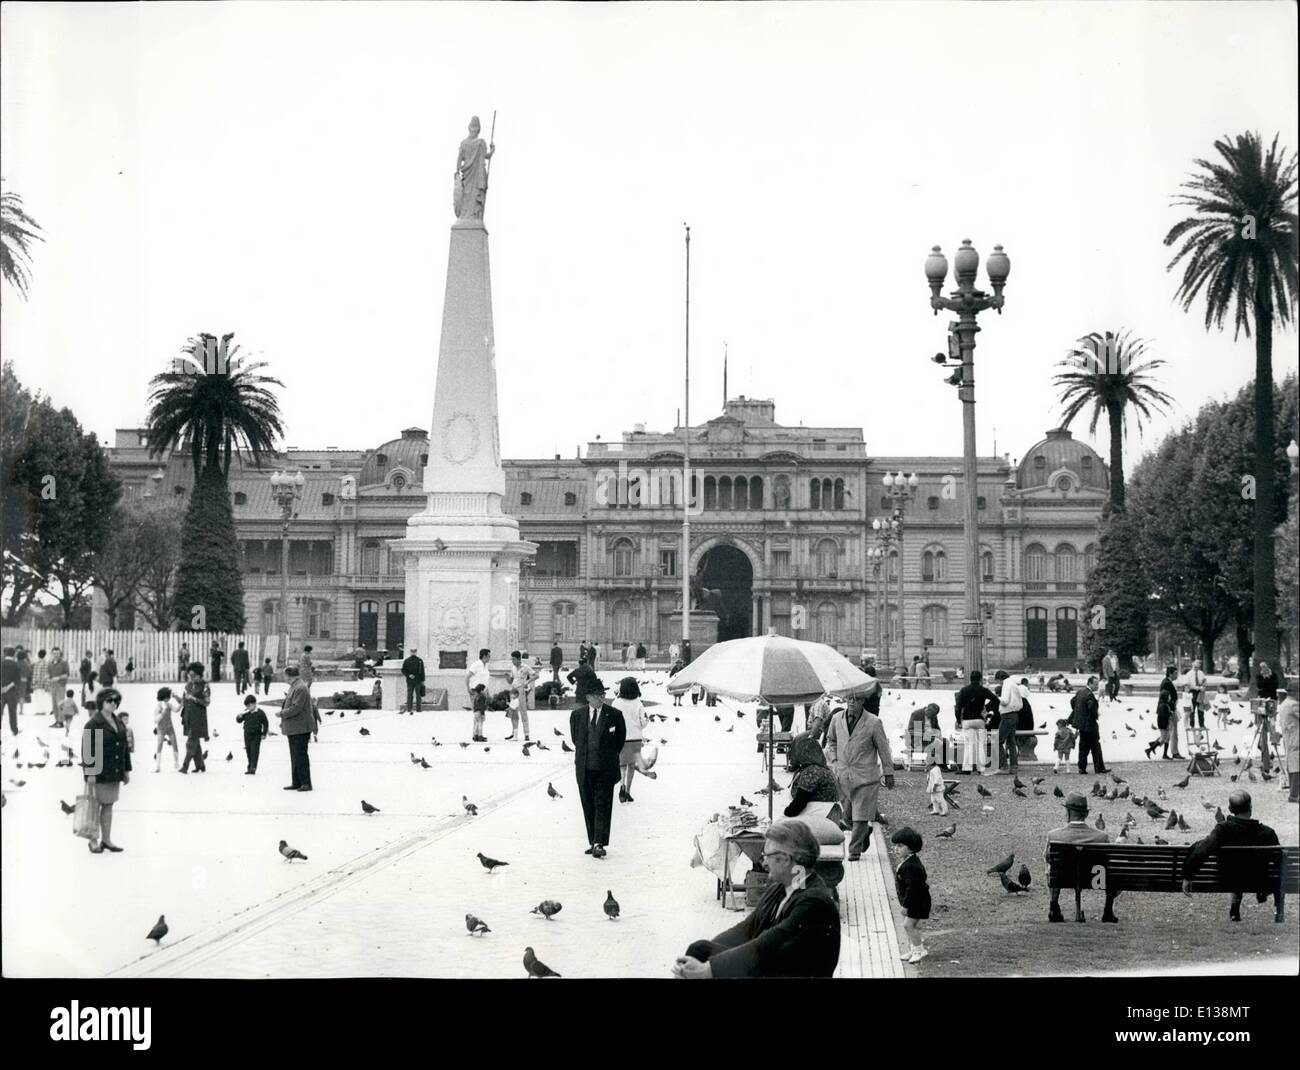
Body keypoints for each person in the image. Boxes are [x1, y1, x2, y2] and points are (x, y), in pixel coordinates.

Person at [673, 820, 840, 978]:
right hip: (773, 966)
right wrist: (704, 963)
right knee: (700, 950)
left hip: (787, 973)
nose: (763, 861)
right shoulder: (783, 886)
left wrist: (709, 970)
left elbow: (769, 941)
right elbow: (747, 928)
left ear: (785, 860)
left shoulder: (815, 902)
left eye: (767, 855)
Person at [1181, 789, 1282, 922]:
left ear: (1230, 808)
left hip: (1227, 879)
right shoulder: (1267, 832)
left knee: (1236, 867)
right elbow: (1280, 861)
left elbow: (1202, 850)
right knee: (1247, 867)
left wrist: (1188, 876)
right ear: (1250, 808)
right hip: (1258, 881)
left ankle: (1235, 907)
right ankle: (1279, 912)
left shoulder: (1223, 829)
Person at [825, 690, 895, 861]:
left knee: (861, 816)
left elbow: (883, 749)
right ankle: (864, 833)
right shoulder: (836, 719)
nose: (852, 702)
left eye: (856, 700)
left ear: (863, 701)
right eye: (849, 699)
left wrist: (888, 772)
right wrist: (833, 760)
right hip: (843, 776)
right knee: (847, 816)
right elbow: (831, 741)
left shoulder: (873, 722)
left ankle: (854, 851)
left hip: (866, 777)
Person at [569, 679, 626, 859]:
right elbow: (575, 739)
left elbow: (620, 740)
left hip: (605, 769)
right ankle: (593, 840)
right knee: (588, 806)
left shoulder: (615, 714)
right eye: (596, 695)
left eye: (603, 694)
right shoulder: (577, 715)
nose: (601, 698)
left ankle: (599, 843)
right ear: (588, 697)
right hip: (585, 768)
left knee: (602, 805)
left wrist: (607, 755)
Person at [1046, 793, 1120, 923]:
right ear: (1086, 814)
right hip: (1095, 880)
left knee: (1052, 867)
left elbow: (1047, 858)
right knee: (1111, 871)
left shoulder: (1054, 835)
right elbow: (1109, 861)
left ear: (1068, 811)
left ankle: (1054, 905)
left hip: (1063, 878)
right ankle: (1108, 910)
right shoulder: (1101, 837)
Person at [81, 688, 131, 853]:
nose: (113, 704)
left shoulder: (119, 722)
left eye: (116, 701)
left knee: (108, 805)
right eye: (110, 700)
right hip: (99, 771)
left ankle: (107, 840)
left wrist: (126, 770)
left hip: (114, 770)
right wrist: (90, 774)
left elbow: (124, 748)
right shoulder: (94, 723)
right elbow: (88, 751)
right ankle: (93, 840)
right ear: (101, 702)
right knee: (94, 806)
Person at [891, 827, 932, 963]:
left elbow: (913, 888)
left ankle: (920, 951)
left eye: (900, 846)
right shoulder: (908, 862)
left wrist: (906, 906)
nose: (896, 849)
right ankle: (913, 949)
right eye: (895, 845)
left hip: (917, 901)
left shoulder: (912, 866)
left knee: (908, 925)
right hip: (913, 900)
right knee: (909, 925)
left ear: (911, 848)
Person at [612, 676, 653, 803]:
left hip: (621, 738)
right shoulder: (638, 703)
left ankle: (622, 786)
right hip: (635, 738)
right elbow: (643, 723)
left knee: (622, 765)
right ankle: (628, 791)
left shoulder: (616, 703)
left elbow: (612, 721)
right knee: (632, 765)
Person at [954, 670, 999, 776]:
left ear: (970, 678)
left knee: (969, 745)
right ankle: (981, 768)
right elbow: (995, 700)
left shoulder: (964, 690)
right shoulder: (983, 690)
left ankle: (967, 768)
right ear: (980, 679)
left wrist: (958, 720)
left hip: (967, 720)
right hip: (979, 720)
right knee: (981, 745)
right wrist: (986, 709)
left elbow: (958, 708)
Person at [279, 666, 316, 791]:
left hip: (300, 728)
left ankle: (306, 783)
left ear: (290, 676)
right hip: (294, 727)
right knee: (295, 756)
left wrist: (282, 713)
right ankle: (296, 782)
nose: (284, 678)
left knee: (300, 756)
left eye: (285, 675)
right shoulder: (295, 686)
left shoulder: (300, 687)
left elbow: (296, 708)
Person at [454, 114, 495, 220]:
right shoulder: (480, 142)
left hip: (471, 175)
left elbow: (459, 159)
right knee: (473, 196)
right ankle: (472, 217)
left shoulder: (465, 143)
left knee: (467, 195)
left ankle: (467, 217)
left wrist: (457, 171)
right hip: (475, 176)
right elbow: (487, 156)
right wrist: (492, 150)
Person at [179, 663, 210, 774]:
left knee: (190, 743)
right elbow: (183, 701)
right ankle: (200, 765)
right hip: (188, 717)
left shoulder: (204, 685)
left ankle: (185, 766)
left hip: (198, 718)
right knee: (195, 741)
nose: (191, 678)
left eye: (193, 676)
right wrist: (176, 698)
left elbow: (207, 702)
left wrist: (194, 698)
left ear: (199, 675)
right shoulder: (188, 685)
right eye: (189, 676)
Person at [1071, 676, 1105, 774]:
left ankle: (1082, 767)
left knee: (1083, 747)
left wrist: (1079, 712)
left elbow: (1072, 702)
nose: (1097, 686)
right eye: (1095, 684)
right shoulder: (1090, 695)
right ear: (1090, 683)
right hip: (1090, 725)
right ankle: (1099, 768)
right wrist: (1095, 715)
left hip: (1081, 725)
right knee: (1095, 746)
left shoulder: (1080, 692)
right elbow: (1092, 709)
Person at [1148, 665, 1182, 759]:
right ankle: (1174, 752)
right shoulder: (1166, 683)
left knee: (1168, 733)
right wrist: (1171, 709)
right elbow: (1165, 697)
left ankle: (1156, 746)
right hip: (1169, 710)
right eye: (1175, 673)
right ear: (1170, 673)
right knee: (1173, 732)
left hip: (1170, 709)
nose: (1177, 675)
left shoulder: (1167, 682)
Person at [994, 669, 1023, 773]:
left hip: (1007, 715)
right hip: (1015, 714)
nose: (999, 683)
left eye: (998, 681)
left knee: (998, 741)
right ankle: (1014, 766)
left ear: (1001, 678)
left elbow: (1005, 701)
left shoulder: (1006, 684)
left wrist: (996, 697)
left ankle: (1003, 766)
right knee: (1011, 741)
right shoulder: (1014, 684)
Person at [236, 694, 270, 774]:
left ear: (254, 704)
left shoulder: (260, 713)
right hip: (247, 734)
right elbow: (239, 721)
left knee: (254, 751)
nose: (248, 707)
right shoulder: (246, 712)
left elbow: (265, 723)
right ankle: (250, 766)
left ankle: (253, 767)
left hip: (256, 735)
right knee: (248, 750)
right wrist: (239, 717)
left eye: (250, 705)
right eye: (247, 706)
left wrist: (264, 733)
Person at [507, 650, 536, 740]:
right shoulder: (513, 668)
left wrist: (528, 681)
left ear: (519, 659)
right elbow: (511, 681)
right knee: (513, 712)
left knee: (523, 712)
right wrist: (507, 677)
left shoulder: (525, 667)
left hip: (520, 690)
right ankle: (514, 733)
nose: (513, 661)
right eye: (512, 659)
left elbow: (535, 675)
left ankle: (526, 733)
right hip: (513, 690)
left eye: (514, 659)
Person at [1277, 689, 1298, 803]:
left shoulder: (1284, 703)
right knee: (1296, 766)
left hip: (1289, 738)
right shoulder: (1294, 704)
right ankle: (1295, 794)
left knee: (1292, 765)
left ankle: (1293, 793)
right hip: (1296, 739)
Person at [153, 687, 179, 772]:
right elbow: (155, 720)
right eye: (167, 697)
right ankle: (158, 765)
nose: (168, 699)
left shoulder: (168, 705)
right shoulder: (158, 707)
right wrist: (162, 713)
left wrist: (181, 704)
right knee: (159, 744)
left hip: (169, 727)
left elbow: (176, 710)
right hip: (161, 728)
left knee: (174, 743)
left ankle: (176, 762)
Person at [1, 646, 20, 736]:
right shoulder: (16, 665)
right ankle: (14, 730)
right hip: (11, 691)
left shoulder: (1, 663)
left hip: (1, 691)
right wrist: (8, 687)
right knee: (12, 711)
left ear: (5, 653)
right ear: (14, 654)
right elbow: (17, 680)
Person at [402, 646, 426, 714]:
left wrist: (422, 680)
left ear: (416, 652)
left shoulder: (419, 660)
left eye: (414, 651)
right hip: (413, 680)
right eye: (412, 651)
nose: (413, 653)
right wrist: (409, 675)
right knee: (411, 695)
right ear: (410, 652)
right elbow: (403, 670)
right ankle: (411, 709)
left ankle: (416, 709)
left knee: (417, 695)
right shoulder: (415, 660)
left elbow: (422, 671)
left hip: (415, 680)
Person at [46, 647, 70, 716]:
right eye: (54, 653)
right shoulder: (50, 663)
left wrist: (58, 678)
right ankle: (57, 721)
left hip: (61, 686)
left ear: (60, 654)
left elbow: (67, 674)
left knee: (60, 703)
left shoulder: (64, 663)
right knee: (54, 705)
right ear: (52, 654)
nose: (56, 655)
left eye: (57, 653)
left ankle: (60, 721)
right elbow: (48, 674)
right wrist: (47, 677)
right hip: (52, 686)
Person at [1184, 659, 1207, 731]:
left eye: (1198, 667)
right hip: (1193, 692)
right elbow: (1187, 684)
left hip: (1200, 692)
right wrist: (1196, 687)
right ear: (1192, 666)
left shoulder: (1201, 673)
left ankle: (1202, 724)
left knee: (1201, 709)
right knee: (1192, 709)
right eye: (1195, 667)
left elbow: (1204, 681)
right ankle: (1192, 725)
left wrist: (1203, 686)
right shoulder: (1189, 674)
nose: (1196, 668)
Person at [31, 649, 49, 715]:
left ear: (38, 655)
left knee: (37, 697)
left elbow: (36, 674)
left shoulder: (37, 663)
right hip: (43, 683)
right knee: (43, 697)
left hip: (37, 683)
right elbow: (47, 674)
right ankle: (43, 710)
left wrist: (34, 682)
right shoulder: (46, 663)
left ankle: (38, 710)